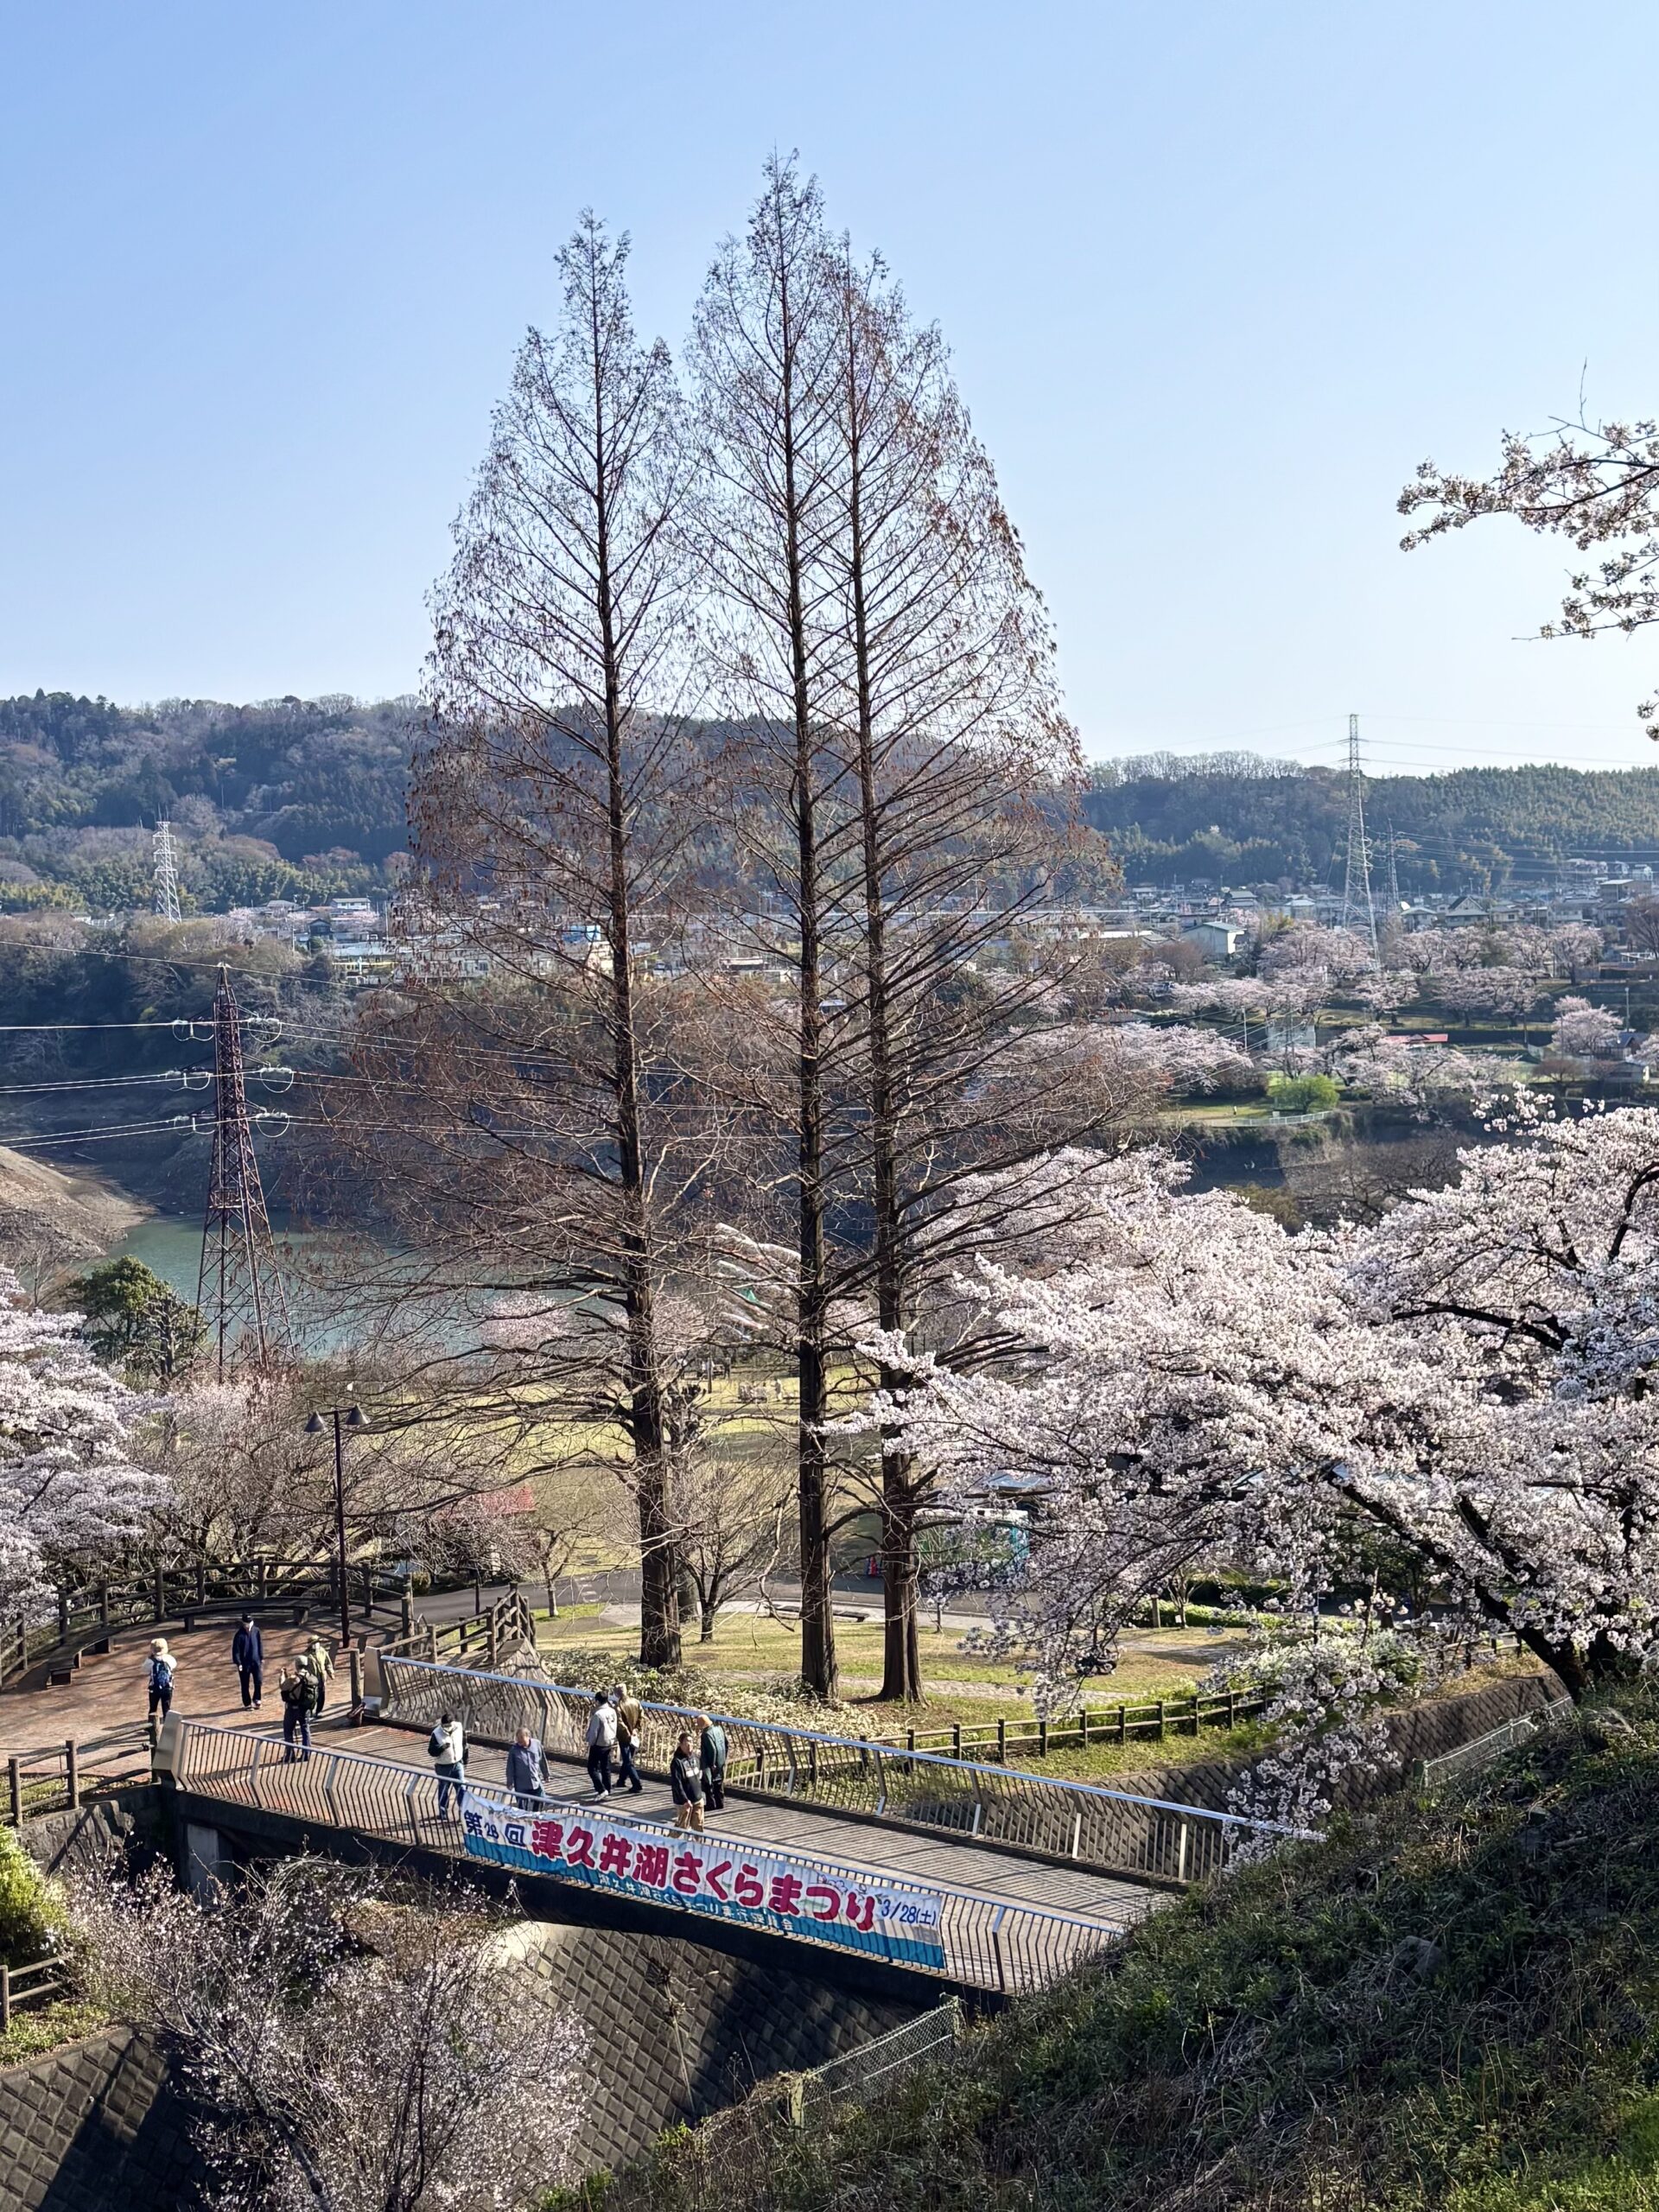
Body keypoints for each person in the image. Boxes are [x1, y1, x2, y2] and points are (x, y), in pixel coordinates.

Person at [429, 1710, 467, 1817]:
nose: (447, 1728)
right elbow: (431, 1751)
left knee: (461, 1788)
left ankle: (463, 1812)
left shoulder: (458, 1727)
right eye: (445, 1726)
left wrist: (464, 1758)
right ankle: (443, 1812)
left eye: (449, 1725)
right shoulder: (436, 1733)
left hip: (458, 1763)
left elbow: (464, 1742)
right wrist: (441, 1748)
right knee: (444, 1789)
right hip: (443, 1766)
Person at [612, 1682, 645, 1796]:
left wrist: (628, 1734)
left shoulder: (618, 1706)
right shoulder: (636, 1702)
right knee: (628, 1759)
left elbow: (620, 1724)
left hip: (625, 1737)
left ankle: (637, 1784)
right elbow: (641, 1716)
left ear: (616, 1693)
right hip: (634, 1735)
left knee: (628, 1761)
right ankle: (621, 1781)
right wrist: (636, 1729)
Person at [669, 1731, 705, 1832]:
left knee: (698, 1826)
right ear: (681, 1745)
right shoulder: (677, 1762)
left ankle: (698, 1846)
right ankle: (667, 1844)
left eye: (691, 1742)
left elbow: (699, 1775)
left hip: (697, 1798)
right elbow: (677, 1783)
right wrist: (684, 1799)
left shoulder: (695, 1758)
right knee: (681, 1827)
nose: (689, 1745)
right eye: (686, 1742)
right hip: (685, 1802)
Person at [279, 1664, 315, 1763]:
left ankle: (290, 1755)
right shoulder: (309, 1676)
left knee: (288, 1731)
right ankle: (306, 1754)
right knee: (305, 1730)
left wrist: (282, 1674)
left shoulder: (294, 1678)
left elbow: (282, 1686)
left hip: (292, 1709)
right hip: (304, 1708)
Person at [585, 1691, 617, 1801]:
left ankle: (601, 1789)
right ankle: (608, 1789)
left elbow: (594, 1731)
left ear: (597, 1701)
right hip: (609, 1743)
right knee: (606, 1767)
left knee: (592, 1768)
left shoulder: (598, 1715)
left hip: (598, 1744)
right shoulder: (612, 1711)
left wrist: (590, 1742)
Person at [505, 1726, 544, 1809]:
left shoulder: (537, 1744)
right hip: (522, 1785)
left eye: (521, 1738)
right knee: (522, 1809)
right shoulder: (514, 1750)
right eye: (518, 1738)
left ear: (528, 1736)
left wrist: (546, 1774)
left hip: (535, 1783)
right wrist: (509, 1781)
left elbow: (542, 1760)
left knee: (540, 1803)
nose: (519, 1741)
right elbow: (510, 1767)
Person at [230, 1613, 264, 1711]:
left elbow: (260, 1644)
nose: (248, 1625)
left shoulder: (256, 1631)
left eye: (250, 1623)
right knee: (245, 1684)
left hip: (256, 1661)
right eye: (246, 1623)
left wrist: (261, 1657)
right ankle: (247, 1703)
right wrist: (238, 1662)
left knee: (258, 1681)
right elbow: (235, 1650)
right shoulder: (239, 1635)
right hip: (244, 1663)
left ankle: (257, 1699)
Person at [698, 1713, 728, 1814]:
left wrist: (712, 1764)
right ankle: (720, 1802)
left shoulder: (706, 1734)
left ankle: (711, 1803)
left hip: (710, 1762)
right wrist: (723, 1757)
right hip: (721, 1759)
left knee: (708, 1782)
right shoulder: (719, 1728)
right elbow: (726, 1743)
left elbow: (712, 1749)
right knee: (719, 1781)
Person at [302, 1635, 334, 1718]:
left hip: (321, 1678)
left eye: (317, 1642)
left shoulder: (322, 1651)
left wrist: (331, 1673)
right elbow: (301, 1668)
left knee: (321, 1695)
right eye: (314, 1643)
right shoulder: (305, 1655)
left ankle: (319, 1711)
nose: (316, 1644)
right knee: (311, 1696)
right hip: (311, 1679)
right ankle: (309, 1711)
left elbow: (328, 1663)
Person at [146, 1637, 175, 1726]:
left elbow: (144, 1669)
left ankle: (151, 1726)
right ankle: (167, 1724)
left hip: (154, 1688)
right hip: (167, 1687)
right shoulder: (169, 1658)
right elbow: (174, 1665)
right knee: (166, 1707)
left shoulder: (150, 1661)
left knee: (153, 1708)